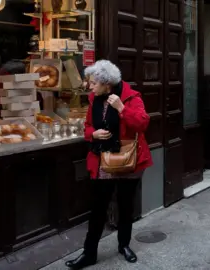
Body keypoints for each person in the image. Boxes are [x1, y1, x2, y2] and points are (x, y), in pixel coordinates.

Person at [65, 60, 153, 269]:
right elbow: (87, 127)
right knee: (98, 209)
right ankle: (89, 253)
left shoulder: (131, 97)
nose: (90, 86)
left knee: (125, 207)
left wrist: (121, 108)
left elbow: (142, 124)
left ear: (107, 83)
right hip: (102, 161)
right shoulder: (94, 100)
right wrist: (92, 134)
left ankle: (124, 245)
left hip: (128, 161)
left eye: (94, 82)